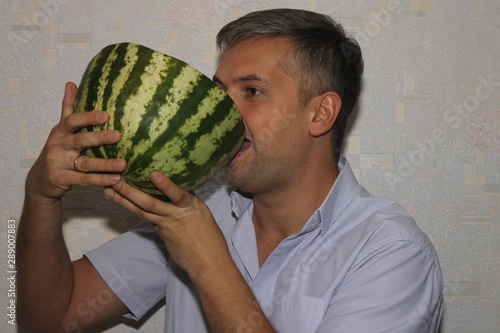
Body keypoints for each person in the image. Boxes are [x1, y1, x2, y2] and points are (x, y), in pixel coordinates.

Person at [17, 8, 443, 333]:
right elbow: (51, 320)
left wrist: (207, 262)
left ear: (321, 114)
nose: (222, 112)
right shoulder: (198, 207)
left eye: (252, 91)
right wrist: (40, 198)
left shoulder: (392, 253)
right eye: (219, 93)